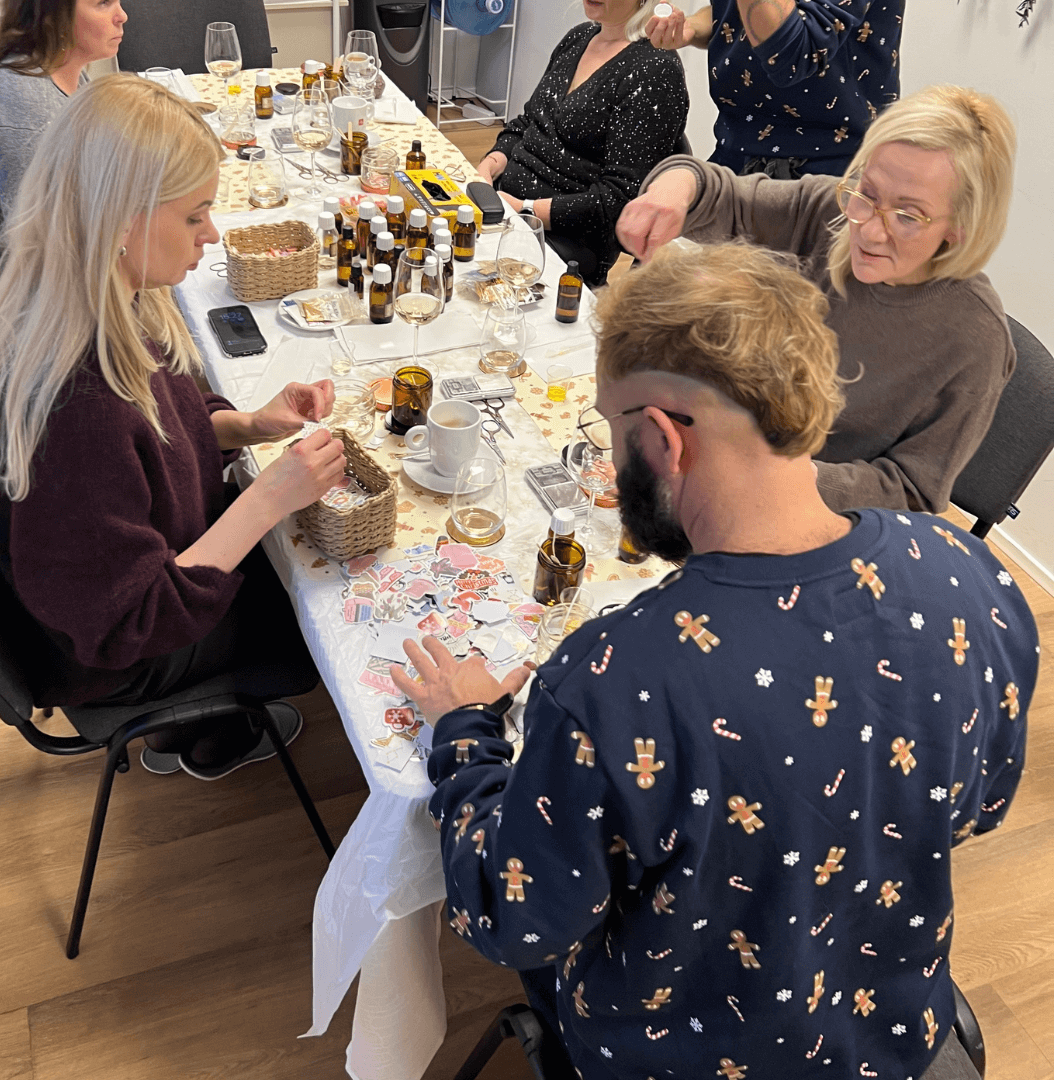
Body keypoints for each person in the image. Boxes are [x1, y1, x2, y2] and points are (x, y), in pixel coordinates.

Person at [391, 243, 1038, 1080]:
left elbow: (509, 921)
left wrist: (463, 734)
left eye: (615, 429)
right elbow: (978, 807)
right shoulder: (970, 574)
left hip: (681, 1055)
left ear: (664, 439)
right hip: (889, 1033)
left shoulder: (614, 681)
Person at [0, 75, 346, 779]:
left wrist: (245, 425)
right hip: (118, 652)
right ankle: (210, 728)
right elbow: (131, 617)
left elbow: (152, 439)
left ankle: (195, 731)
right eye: (195, 215)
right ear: (121, 220)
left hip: (102, 590)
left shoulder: (90, 301)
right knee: (321, 595)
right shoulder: (77, 397)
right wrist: (269, 499)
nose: (213, 234)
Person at [616, 84, 1016, 514]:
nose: (869, 231)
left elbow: (912, 491)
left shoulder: (975, 338)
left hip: (813, 517)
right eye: (867, 194)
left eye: (907, 216)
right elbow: (718, 192)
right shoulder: (832, 213)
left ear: (960, 226)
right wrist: (672, 192)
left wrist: (780, 476)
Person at [475, 0, 688, 286]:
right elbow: (529, 121)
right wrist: (489, 166)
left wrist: (526, 209)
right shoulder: (579, 37)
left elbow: (619, 198)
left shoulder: (655, 70)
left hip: (565, 240)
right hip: (506, 207)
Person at [0, 0, 129, 299]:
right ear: (53, 15)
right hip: (2, 294)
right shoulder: (28, 104)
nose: (121, 16)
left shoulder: (61, 72)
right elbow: (38, 248)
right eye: (103, 3)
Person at [645, 0, 904, 178]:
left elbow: (794, 54)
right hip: (735, 155)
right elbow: (735, 13)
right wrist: (694, 26)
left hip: (830, 174)